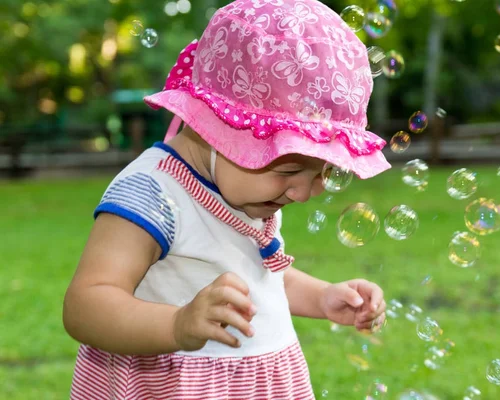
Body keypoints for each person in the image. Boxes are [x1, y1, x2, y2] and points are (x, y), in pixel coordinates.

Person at [62, 0, 393, 398]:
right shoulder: (153, 193)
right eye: (287, 171)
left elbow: (258, 276)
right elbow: (86, 304)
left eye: (323, 172)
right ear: (216, 127)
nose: (304, 193)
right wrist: (177, 325)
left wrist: (322, 297)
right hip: (180, 386)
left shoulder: (248, 193)